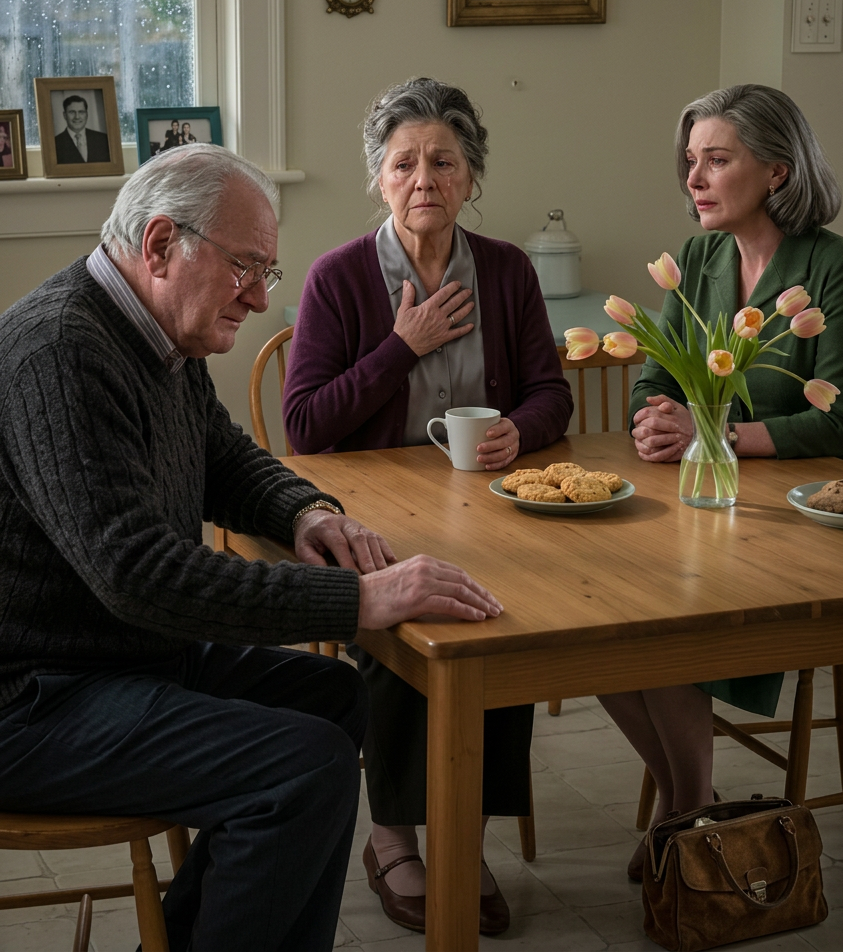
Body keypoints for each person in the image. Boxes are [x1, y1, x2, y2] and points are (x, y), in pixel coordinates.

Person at [0, 143, 504, 952]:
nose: (261, 297)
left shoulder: (155, 332)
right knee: (301, 767)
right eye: (245, 267)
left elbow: (222, 456)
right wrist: (357, 599)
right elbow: (136, 574)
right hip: (30, 697)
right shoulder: (60, 352)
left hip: (111, 657)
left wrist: (304, 512)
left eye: (268, 271)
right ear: (160, 245)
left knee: (335, 698)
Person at [284, 77, 573, 935]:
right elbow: (305, 427)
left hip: (483, 511)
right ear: (378, 177)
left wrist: (519, 431)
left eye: (443, 162)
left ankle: (462, 836)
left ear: (470, 175)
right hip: (373, 516)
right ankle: (392, 839)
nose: (423, 180)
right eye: (404, 163)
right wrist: (398, 348)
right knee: (401, 633)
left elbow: (551, 394)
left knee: (504, 624)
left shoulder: (507, 271)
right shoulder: (338, 277)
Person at [599, 84, 843, 883]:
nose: (693, 178)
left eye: (715, 160)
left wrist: (715, 436)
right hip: (705, 509)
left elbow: (839, 416)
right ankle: (688, 808)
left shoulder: (830, 267)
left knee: (670, 617)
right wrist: (653, 423)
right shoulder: (700, 258)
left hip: (797, 526)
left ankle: (684, 815)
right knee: (595, 620)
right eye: (690, 160)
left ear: (776, 171)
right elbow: (651, 381)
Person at [54, 93, 111, 164]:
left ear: (86, 115)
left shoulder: (103, 139)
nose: (77, 117)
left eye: (81, 112)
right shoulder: (55, 143)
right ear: (64, 115)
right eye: (72, 112)